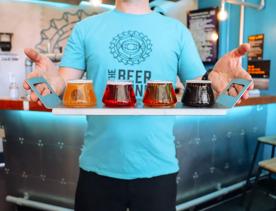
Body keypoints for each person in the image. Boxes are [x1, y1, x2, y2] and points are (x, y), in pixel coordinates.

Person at [23, 0, 253, 210]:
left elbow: (200, 87)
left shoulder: (177, 32)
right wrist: (54, 82)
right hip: (97, 169)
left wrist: (214, 81)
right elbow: (65, 81)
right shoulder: (85, 29)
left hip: (158, 170)